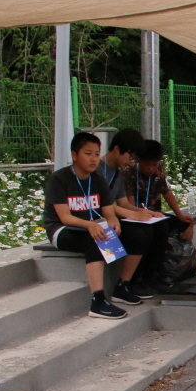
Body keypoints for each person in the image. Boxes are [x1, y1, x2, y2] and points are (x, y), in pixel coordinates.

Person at [43, 132, 130, 319]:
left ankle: (126, 286)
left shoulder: (98, 179)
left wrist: (114, 223)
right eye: (88, 153)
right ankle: (98, 301)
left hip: (92, 224)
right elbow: (65, 217)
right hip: (62, 229)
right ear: (74, 155)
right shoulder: (59, 179)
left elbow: (108, 212)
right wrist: (90, 225)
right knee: (93, 239)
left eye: (97, 154)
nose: (93, 159)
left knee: (132, 232)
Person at [93, 128, 157, 301]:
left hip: (111, 218)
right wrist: (133, 216)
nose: (131, 162)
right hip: (96, 220)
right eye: (130, 156)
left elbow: (122, 203)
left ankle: (134, 282)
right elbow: (99, 205)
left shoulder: (119, 172)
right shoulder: (96, 169)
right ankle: (120, 286)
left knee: (154, 228)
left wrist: (143, 212)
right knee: (137, 235)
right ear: (117, 149)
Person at [123, 139, 195, 287]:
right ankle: (144, 276)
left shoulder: (158, 170)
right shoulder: (128, 172)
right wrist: (142, 213)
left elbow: (167, 192)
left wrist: (180, 215)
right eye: (147, 165)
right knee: (155, 232)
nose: (151, 169)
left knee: (185, 224)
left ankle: (181, 267)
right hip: (137, 216)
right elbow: (128, 204)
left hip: (156, 215)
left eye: (154, 165)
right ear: (139, 161)